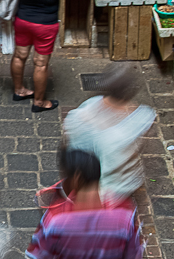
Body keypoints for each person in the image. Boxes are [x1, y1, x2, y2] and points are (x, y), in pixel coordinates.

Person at [62, 64, 157, 207]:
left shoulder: (83, 111)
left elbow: (69, 144)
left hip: (84, 182)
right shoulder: (142, 117)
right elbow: (134, 152)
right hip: (116, 189)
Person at [0, 0, 74, 112]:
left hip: (23, 21)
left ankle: (19, 90)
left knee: (19, 56)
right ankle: (39, 102)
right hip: (46, 26)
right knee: (40, 63)